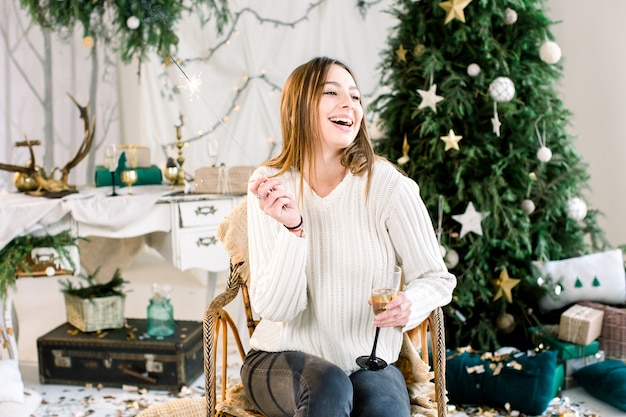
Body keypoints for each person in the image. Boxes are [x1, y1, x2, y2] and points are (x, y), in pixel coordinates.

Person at [243, 56, 456, 417]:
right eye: (332, 92)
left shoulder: (388, 186)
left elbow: (437, 278)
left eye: (355, 97)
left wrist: (411, 302)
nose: (349, 104)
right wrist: (294, 229)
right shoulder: (270, 185)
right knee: (328, 384)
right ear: (296, 110)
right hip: (278, 360)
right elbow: (277, 309)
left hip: (368, 362)